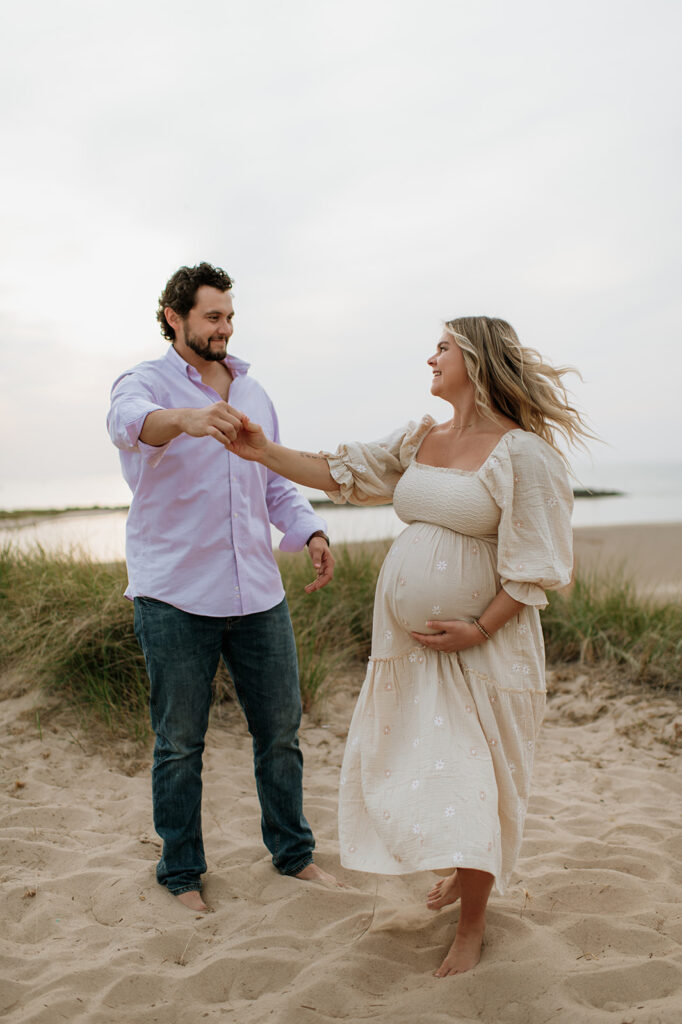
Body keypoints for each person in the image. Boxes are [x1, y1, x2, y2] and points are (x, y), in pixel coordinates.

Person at [222, 316, 591, 975]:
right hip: (415, 651)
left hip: (484, 650)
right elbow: (342, 472)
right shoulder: (423, 436)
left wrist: (478, 627)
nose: (431, 357)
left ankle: (471, 925)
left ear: (476, 360)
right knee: (431, 766)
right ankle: (461, 870)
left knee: (475, 777)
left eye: (443, 347)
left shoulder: (523, 453)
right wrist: (261, 451)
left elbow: (536, 566)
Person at [106, 262, 337, 912]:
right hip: (174, 595)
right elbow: (127, 423)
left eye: (229, 316)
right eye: (212, 316)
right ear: (175, 318)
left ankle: (293, 856)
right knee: (180, 745)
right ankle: (181, 873)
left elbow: (275, 481)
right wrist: (182, 418)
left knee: (281, 733)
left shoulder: (253, 392)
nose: (224, 328)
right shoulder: (144, 383)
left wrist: (310, 532)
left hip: (258, 594)